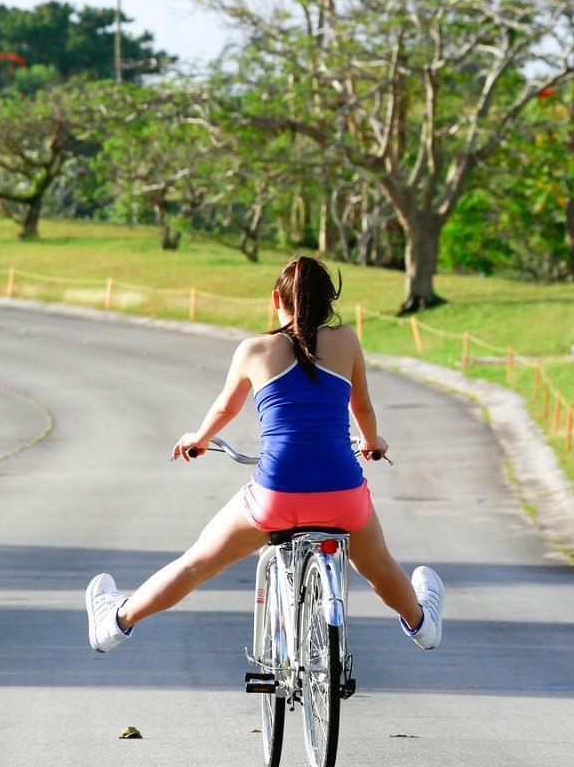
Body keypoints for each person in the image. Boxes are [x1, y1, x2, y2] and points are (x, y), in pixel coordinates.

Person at [84, 255, 444, 653]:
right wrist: (372, 441)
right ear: (329, 303)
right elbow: (362, 408)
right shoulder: (346, 342)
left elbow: (225, 408)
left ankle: (115, 624)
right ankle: (421, 624)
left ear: (277, 298)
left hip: (275, 498)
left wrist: (199, 437)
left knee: (196, 563)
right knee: (379, 567)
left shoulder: (254, 350)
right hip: (341, 495)